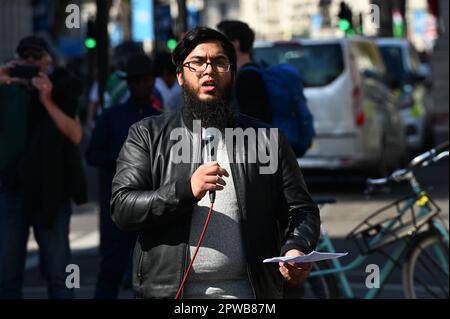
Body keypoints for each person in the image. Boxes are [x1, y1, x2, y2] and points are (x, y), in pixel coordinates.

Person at [110, 27, 320, 299]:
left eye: (219, 62)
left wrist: (296, 248)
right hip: (171, 294)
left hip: (250, 294)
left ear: (232, 74)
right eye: (197, 62)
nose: (208, 70)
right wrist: (184, 190)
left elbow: (301, 209)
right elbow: (122, 208)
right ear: (180, 77)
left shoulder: (267, 139)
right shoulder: (147, 135)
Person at [0, 36, 87, 298]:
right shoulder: (6, 89)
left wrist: (47, 98)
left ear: (48, 61)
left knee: (59, 274)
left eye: (37, 57)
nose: (30, 62)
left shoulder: (62, 87)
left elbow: (75, 134)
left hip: (51, 193)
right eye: (24, 57)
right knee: (6, 277)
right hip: (11, 190)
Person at [86, 53, 162, 299]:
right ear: (128, 83)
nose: (142, 85)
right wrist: (122, 161)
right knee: (111, 269)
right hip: (118, 205)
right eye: (137, 80)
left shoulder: (160, 119)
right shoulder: (111, 116)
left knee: (153, 273)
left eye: (147, 80)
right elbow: (92, 154)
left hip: (151, 204)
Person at [217, 20, 272, 124]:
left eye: (221, 42)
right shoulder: (253, 70)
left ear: (235, 44)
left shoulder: (248, 77)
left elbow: (252, 121)